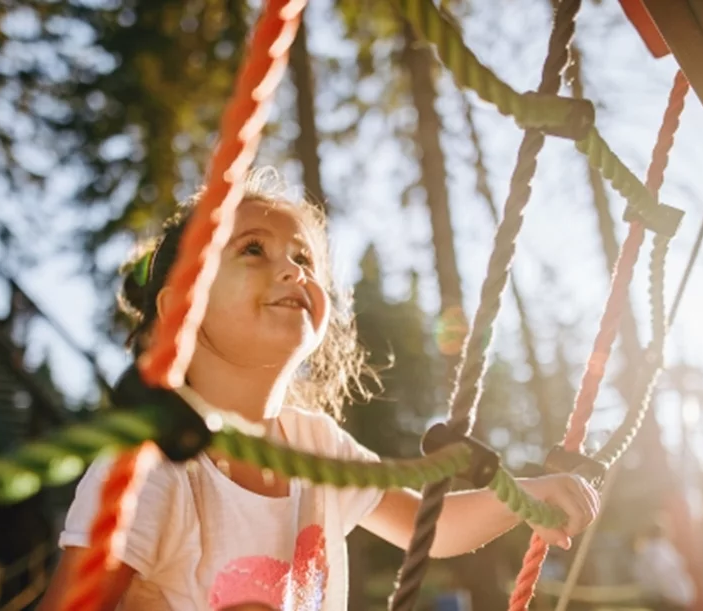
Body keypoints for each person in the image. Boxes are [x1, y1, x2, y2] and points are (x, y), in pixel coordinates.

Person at [38, 169, 600, 611]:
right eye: (253, 249)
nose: (292, 270)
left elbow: (430, 528)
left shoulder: (316, 445)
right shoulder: (152, 467)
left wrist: (524, 497)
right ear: (180, 309)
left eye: (303, 257)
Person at [631, 520, 697, 611]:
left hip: (662, 597)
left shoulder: (649, 549)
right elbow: (663, 573)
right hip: (667, 598)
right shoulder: (659, 549)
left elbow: (638, 573)